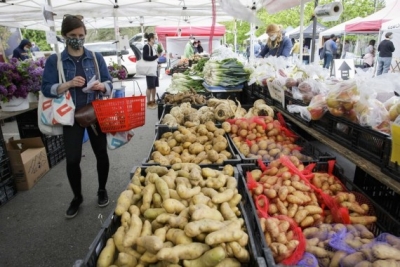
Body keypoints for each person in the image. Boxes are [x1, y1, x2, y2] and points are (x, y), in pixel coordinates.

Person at [41, 15, 113, 219]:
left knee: (101, 153)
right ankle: (77, 197)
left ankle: (101, 190)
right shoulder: (56, 61)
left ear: (85, 35)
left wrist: (102, 86)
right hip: (70, 115)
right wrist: (68, 84)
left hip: (94, 112)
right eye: (72, 35)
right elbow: (46, 88)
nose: (77, 39)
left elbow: (109, 83)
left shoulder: (95, 57)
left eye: (81, 35)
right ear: (64, 36)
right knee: (72, 160)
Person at [143, 32, 160, 109]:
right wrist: (156, 56)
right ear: (151, 39)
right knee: (149, 86)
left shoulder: (153, 47)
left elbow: (154, 58)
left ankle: (153, 100)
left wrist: (157, 63)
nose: (156, 39)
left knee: (154, 86)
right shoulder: (146, 47)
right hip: (149, 70)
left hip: (154, 69)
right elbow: (145, 57)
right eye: (155, 38)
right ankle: (148, 102)